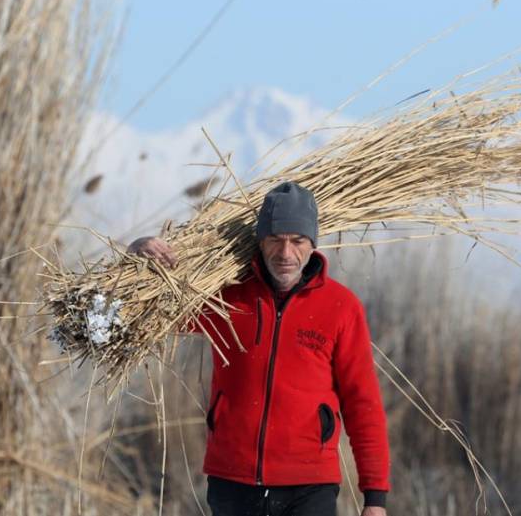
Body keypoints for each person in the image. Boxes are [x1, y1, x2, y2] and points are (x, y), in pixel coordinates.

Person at [129, 181, 389, 516]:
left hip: (309, 487)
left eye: (297, 241)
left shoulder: (340, 307)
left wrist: (375, 497)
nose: (285, 254)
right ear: (260, 241)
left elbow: (362, 403)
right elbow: (152, 313)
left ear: (312, 243)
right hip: (233, 482)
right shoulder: (225, 298)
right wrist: (138, 252)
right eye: (275, 240)